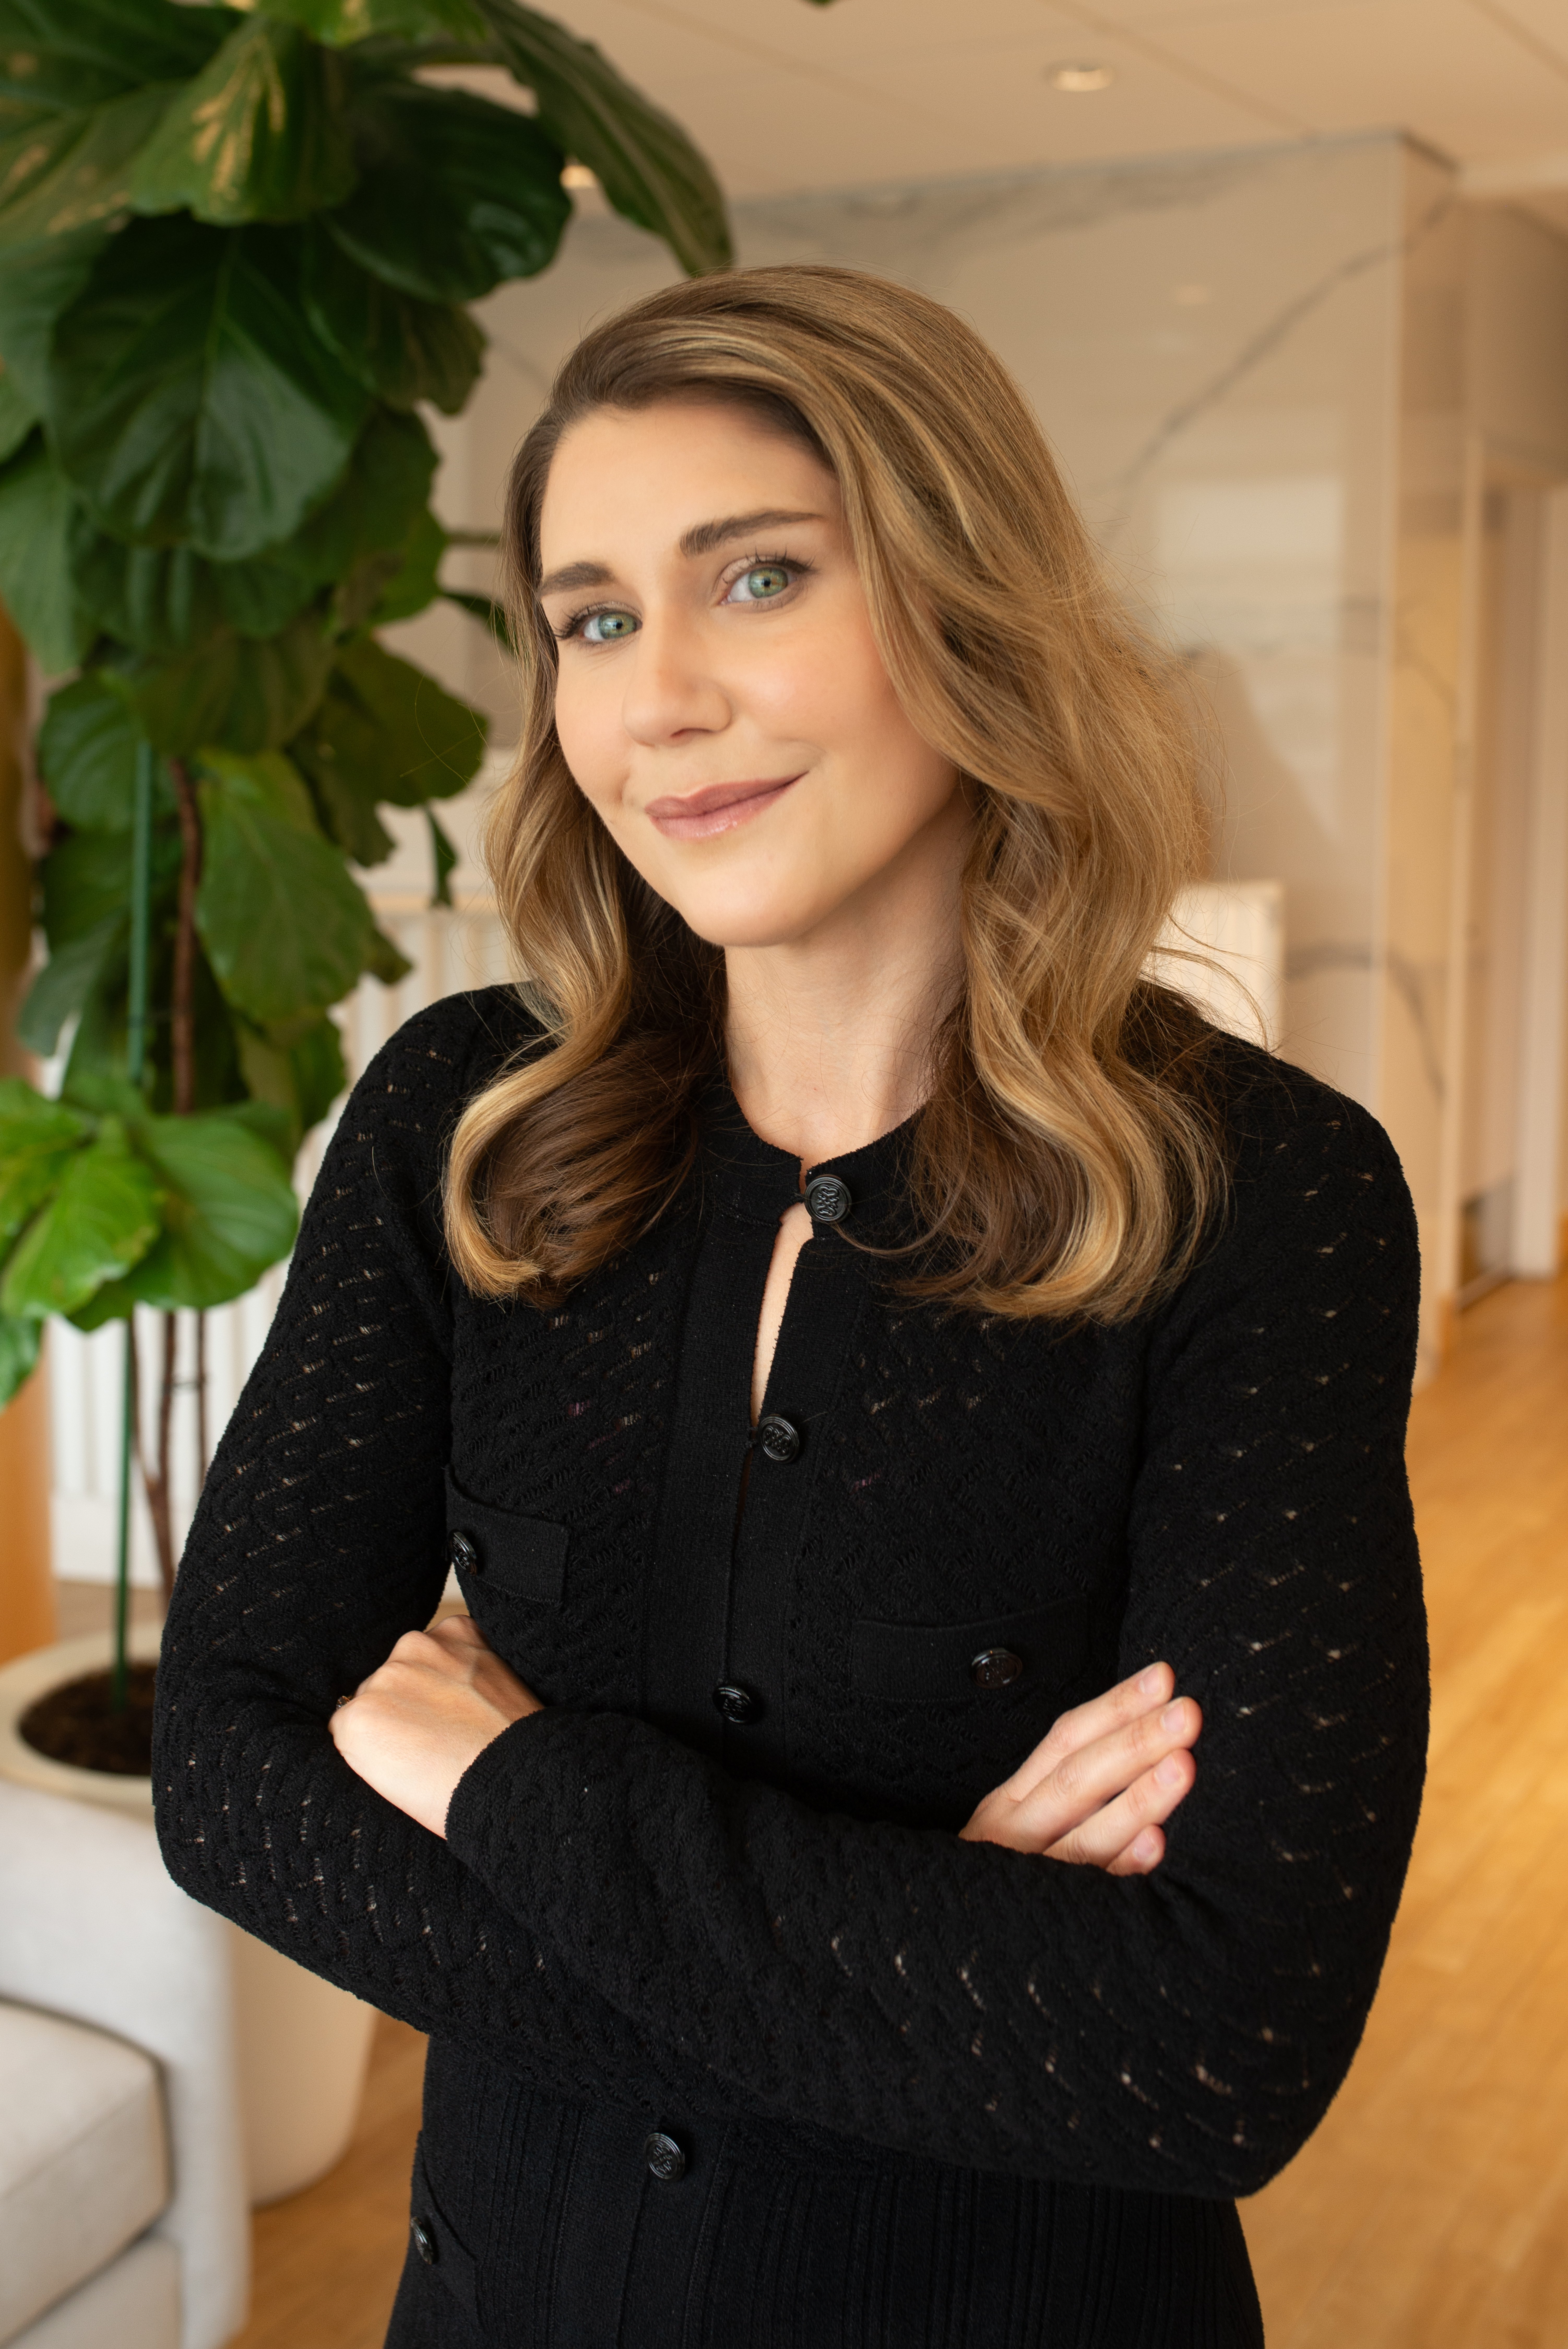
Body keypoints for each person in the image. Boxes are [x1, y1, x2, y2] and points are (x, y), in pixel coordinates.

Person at [153, 264, 1427, 2348]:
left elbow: (1215, 2053)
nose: (653, 699)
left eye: (752, 582)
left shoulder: (1256, 1193)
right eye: (591, 617)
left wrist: (506, 1786)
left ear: (964, 602)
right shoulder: (456, 1124)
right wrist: (947, 1947)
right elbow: (229, 1776)